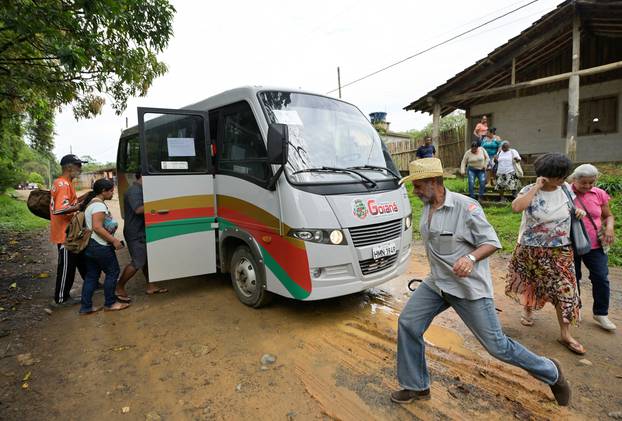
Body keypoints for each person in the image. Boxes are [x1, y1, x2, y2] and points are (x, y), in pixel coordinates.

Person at [391, 158, 571, 407]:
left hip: (468, 289)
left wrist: (470, 257)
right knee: (408, 323)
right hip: (437, 283)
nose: (415, 191)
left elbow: (492, 241)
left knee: (498, 347)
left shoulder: (466, 207)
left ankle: (551, 372)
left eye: (419, 185)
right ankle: (416, 386)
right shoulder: (427, 205)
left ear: (434, 182)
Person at [507, 153, 586, 354]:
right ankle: (528, 309)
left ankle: (565, 333)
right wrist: (535, 187)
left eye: (563, 176)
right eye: (558, 176)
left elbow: (574, 208)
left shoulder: (567, 190)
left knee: (565, 289)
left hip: (561, 250)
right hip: (531, 248)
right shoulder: (529, 190)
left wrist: (579, 212)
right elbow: (517, 207)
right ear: (546, 175)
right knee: (531, 282)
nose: (562, 180)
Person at [570, 164, 616, 331]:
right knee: (574, 278)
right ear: (574, 179)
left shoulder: (599, 194)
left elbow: (608, 215)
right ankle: (576, 308)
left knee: (601, 277)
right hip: (571, 244)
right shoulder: (566, 193)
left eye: (591, 182)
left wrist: (609, 227)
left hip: (595, 245)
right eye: (584, 183)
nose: (588, 186)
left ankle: (601, 313)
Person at [79, 179, 129, 314]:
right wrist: (113, 240)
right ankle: (110, 303)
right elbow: (97, 227)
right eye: (111, 190)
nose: (113, 193)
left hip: (90, 245)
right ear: (103, 191)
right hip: (100, 245)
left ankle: (86, 307)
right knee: (113, 272)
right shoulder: (99, 206)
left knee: (91, 276)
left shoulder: (92, 203)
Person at [115, 172, 168, 300]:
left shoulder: (139, 189)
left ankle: (151, 286)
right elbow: (138, 209)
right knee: (138, 262)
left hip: (140, 231)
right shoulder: (134, 191)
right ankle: (119, 287)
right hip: (135, 233)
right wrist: (160, 205)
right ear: (144, 177)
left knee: (147, 261)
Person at [49, 154, 89, 306]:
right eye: (78, 166)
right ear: (70, 167)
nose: (80, 169)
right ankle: (60, 299)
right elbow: (60, 209)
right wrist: (79, 206)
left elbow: (68, 203)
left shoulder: (65, 183)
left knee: (80, 258)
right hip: (65, 233)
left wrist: (82, 198)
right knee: (66, 266)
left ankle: (92, 282)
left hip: (70, 231)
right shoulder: (63, 184)